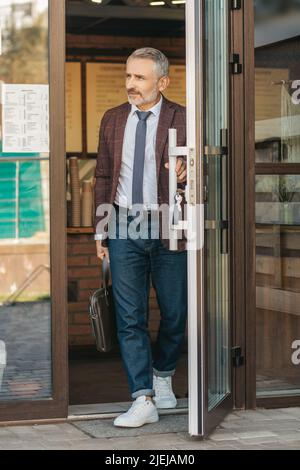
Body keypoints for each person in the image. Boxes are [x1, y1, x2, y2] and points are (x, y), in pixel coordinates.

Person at [94, 48, 187, 428]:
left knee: (175, 311)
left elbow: (206, 174)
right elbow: (102, 176)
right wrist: (101, 229)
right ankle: (142, 396)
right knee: (129, 318)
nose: (131, 84)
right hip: (123, 225)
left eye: (140, 78)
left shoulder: (183, 117)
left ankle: (163, 375)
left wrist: (187, 175)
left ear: (161, 82)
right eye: (128, 76)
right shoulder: (113, 119)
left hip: (169, 224)